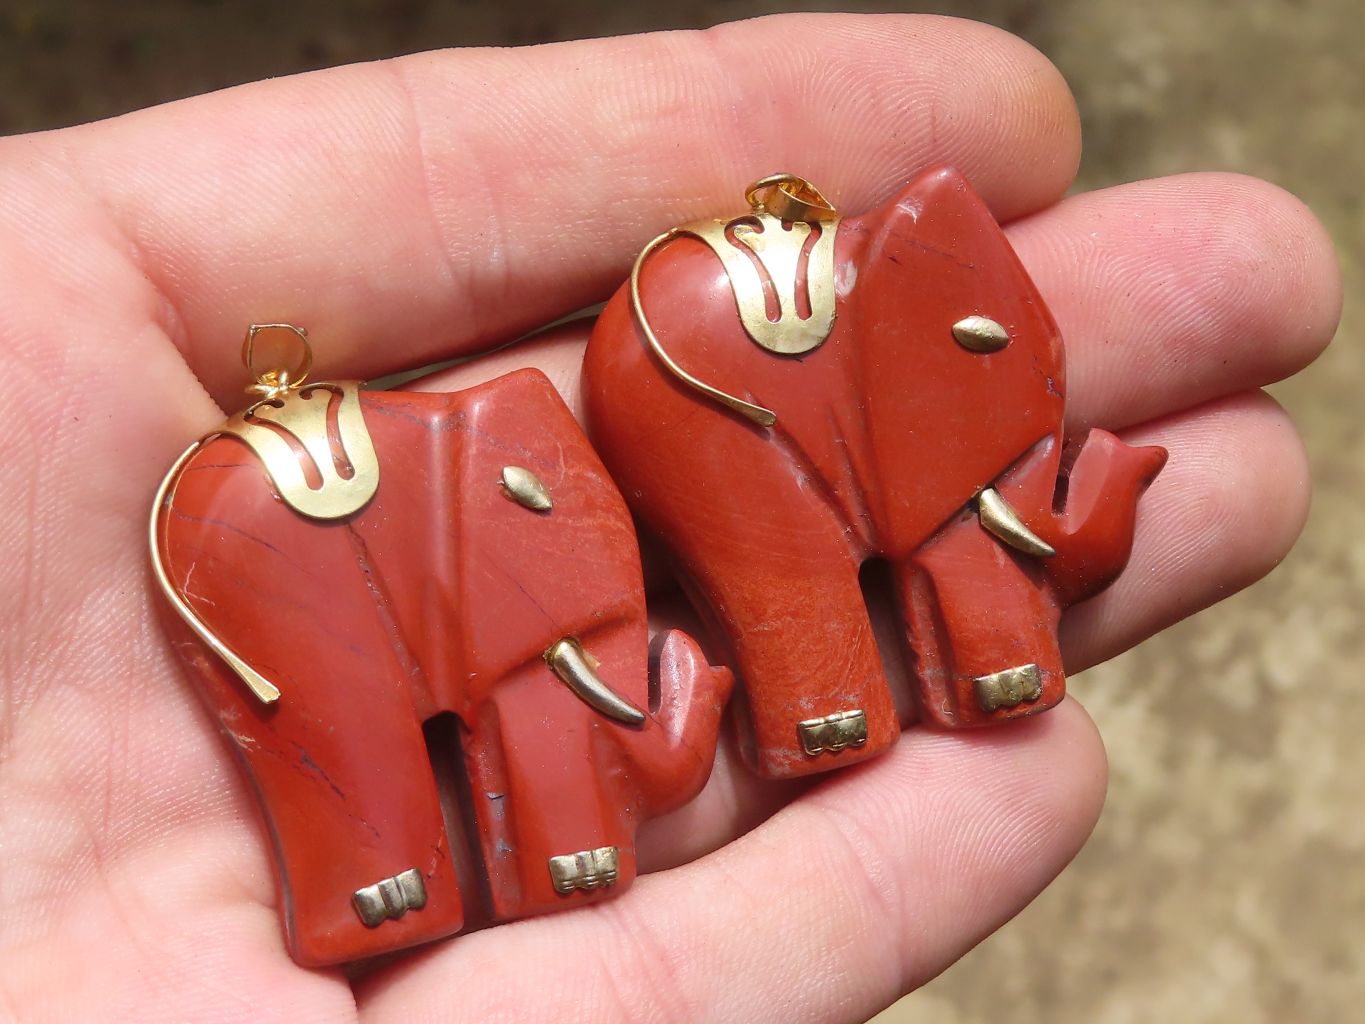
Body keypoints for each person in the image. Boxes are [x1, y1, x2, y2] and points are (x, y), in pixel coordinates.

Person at [0, 12, 1340, 1022]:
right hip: (334, 542)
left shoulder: (925, 338)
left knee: (584, 668)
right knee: (414, 706)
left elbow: (972, 396)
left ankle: (459, 851)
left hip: (687, 415)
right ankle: (408, 866)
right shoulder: (519, 478)